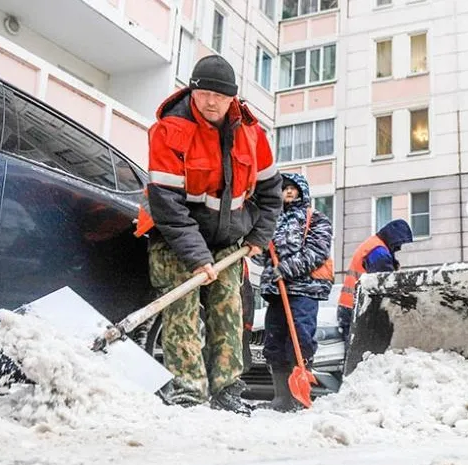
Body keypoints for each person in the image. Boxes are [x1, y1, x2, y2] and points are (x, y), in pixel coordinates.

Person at [135, 54, 283, 414]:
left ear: (233, 97)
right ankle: (188, 392)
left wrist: (257, 238)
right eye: (204, 94)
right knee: (181, 312)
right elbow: (167, 205)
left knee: (227, 310)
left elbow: (270, 194)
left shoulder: (252, 135)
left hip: (228, 241)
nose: (211, 102)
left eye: (220, 95)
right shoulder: (170, 130)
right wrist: (198, 258)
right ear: (192, 91)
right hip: (174, 239)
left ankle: (226, 390)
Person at [252, 173, 333, 412]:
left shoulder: (315, 219)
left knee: (299, 339)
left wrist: (286, 268)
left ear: (302, 191)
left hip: (304, 290)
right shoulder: (271, 221)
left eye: (292, 188)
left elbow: (317, 251)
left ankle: (299, 394)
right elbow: (261, 255)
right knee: (274, 341)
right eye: (282, 188)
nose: (287, 192)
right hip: (277, 291)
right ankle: (281, 397)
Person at [337, 219, 413, 340]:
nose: (399, 248)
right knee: (363, 351)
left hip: (349, 306)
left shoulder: (374, 245)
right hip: (357, 308)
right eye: (399, 243)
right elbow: (385, 284)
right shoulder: (378, 252)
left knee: (360, 350)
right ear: (393, 239)